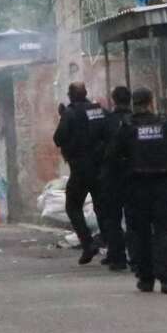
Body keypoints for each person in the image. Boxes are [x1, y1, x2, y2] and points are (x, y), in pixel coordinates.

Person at [104, 87, 167, 294]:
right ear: (151, 102)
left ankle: (146, 279)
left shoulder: (126, 128)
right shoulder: (166, 125)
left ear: (134, 103)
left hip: (135, 188)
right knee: (163, 232)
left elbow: (111, 157)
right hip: (162, 186)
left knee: (139, 233)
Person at [52, 82, 111, 264]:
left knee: (73, 206)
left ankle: (88, 244)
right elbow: (111, 130)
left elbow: (58, 138)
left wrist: (63, 116)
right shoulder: (100, 111)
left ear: (70, 96)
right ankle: (112, 248)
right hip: (101, 168)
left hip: (80, 169)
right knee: (103, 208)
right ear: (85, 94)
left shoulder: (70, 113)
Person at [95, 86, 133, 271]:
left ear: (113, 100)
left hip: (113, 176)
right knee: (136, 218)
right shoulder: (137, 121)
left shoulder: (107, 120)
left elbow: (98, 146)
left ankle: (117, 257)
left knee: (113, 218)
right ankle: (138, 257)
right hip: (136, 176)